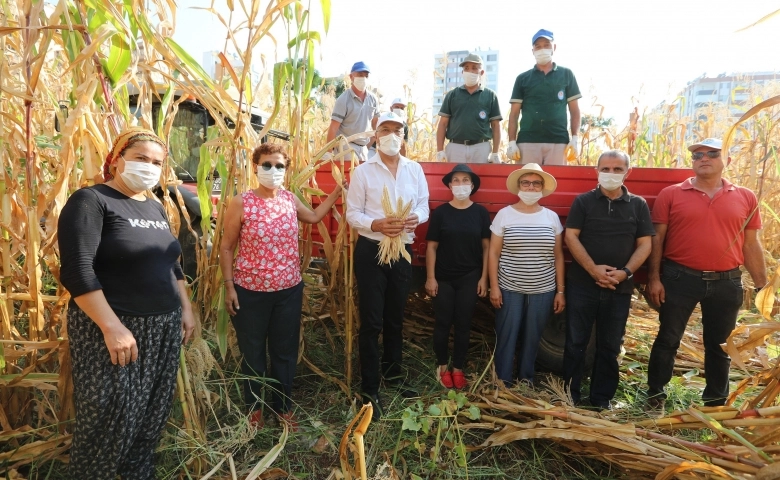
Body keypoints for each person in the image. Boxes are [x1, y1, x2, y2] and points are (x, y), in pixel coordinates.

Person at [58, 127, 195, 479]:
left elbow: (171, 263)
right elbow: (77, 271)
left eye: (156, 162)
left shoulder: (154, 206)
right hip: (115, 328)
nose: (149, 167)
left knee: (151, 414)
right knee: (109, 417)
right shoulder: (91, 201)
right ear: (117, 160)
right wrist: (112, 327)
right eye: (140, 159)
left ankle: (137, 473)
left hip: (163, 327)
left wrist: (186, 308)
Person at [220, 143, 343, 429]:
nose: (273, 170)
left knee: (284, 351)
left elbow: (313, 217)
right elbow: (226, 247)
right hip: (249, 292)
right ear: (255, 167)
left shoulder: (290, 199)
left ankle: (283, 407)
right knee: (252, 352)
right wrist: (229, 287)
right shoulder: (241, 202)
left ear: (286, 170)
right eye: (267, 165)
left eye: (279, 166)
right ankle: (255, 409)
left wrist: (337, 193)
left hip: (288, 291)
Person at [645, 138, 768, 412]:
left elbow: (750, 244)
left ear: (727, 160)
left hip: (727, 282)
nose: (704, 158)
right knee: (668, 339)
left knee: (720, 346)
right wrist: (654, 278)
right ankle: (655, 395)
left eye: (712, 154)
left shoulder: (746, 196)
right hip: (680, 278)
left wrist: (763, 287)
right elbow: (657, 239)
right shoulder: (672, 194)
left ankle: (714, 403)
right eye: (698, 154)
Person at [345, 111, 430, 419]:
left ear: (403, 135)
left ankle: (393, 376)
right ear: (375, 134)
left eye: (398, 130)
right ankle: (369, 388)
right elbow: (353, 214)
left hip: (402, 251)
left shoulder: (415, 169)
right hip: (372, 250)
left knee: (395, 317)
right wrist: (377, 224)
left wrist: (415, 218)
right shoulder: (363, 172)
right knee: (372, 321)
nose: (392, 135)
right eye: (386, 129)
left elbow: (423, 204)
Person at [562, 150, 654, 409]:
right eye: (606, 169)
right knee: (576, 343)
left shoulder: (638, 205)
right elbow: (571, 237)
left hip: (619, 288)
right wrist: (593, 270)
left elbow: (645, 244)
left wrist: (624, 272)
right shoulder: (583, 202)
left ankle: (601, 400)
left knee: (610, 346)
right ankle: (570, 396)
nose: (611, 174)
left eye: (617, 169)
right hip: (582, 286)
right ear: (597, 171)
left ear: (628, 172)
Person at [488, 163, 565, 385]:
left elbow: (558, 255)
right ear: (519, 186)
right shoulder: (505, 215)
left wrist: (560, 291)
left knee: (533, 338)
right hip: (509, 287)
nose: (530, 187)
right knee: (506, 336)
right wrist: (494, 286)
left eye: (536, 183)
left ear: (542, 188)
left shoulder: (551, 217)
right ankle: (502, 380)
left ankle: (526, 379)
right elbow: (493, 253)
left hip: (543, 289)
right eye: (526, 183)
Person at [425, 164, 490, 390]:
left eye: (465, 180)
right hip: (443, 277)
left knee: (463, 324)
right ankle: (442, 366)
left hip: (469, 277)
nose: (460, 184)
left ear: (472, 186)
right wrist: (430, 277)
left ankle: (458, 368)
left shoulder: (480, 213)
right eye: (456, 180)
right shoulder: (441, 212)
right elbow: (431, 247)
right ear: (450, 185)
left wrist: (484, 278)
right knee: (443, 323)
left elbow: (486, 247)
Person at [507, 29, 582, 165]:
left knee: (556, 184)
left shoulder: (566, 74)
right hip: (527, 141)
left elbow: (575, 110)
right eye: (538, 46)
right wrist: (512, 141)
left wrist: (575, 138)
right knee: (526, 183)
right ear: (533, 51)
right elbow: (514, 114)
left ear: (554, 47)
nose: (542, 49)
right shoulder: (522, 78)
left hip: (559, 141)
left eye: (547, 45)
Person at [436, 53, 502, 164]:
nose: (470, 71)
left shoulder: (490, 95)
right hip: (455, 147)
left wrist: (495, 152)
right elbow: (442, 124)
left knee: (481, 180)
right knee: (456, 179)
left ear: (482, 72)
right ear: (462, 72)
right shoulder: (452, 95)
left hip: (481, 148)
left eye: (474, 68)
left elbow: (496, 125)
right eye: (466, 68)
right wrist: (440, 150)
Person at [327, 61, 378, 162]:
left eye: (366, 75)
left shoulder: (373, 99)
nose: (363, 78)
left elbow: (376, 125)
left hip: (364, 148)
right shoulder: (344, 100)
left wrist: (370, 144)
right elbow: (333, 127)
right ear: (351, 77)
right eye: (360, 75)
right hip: (346, 147)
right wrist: (328, 152)